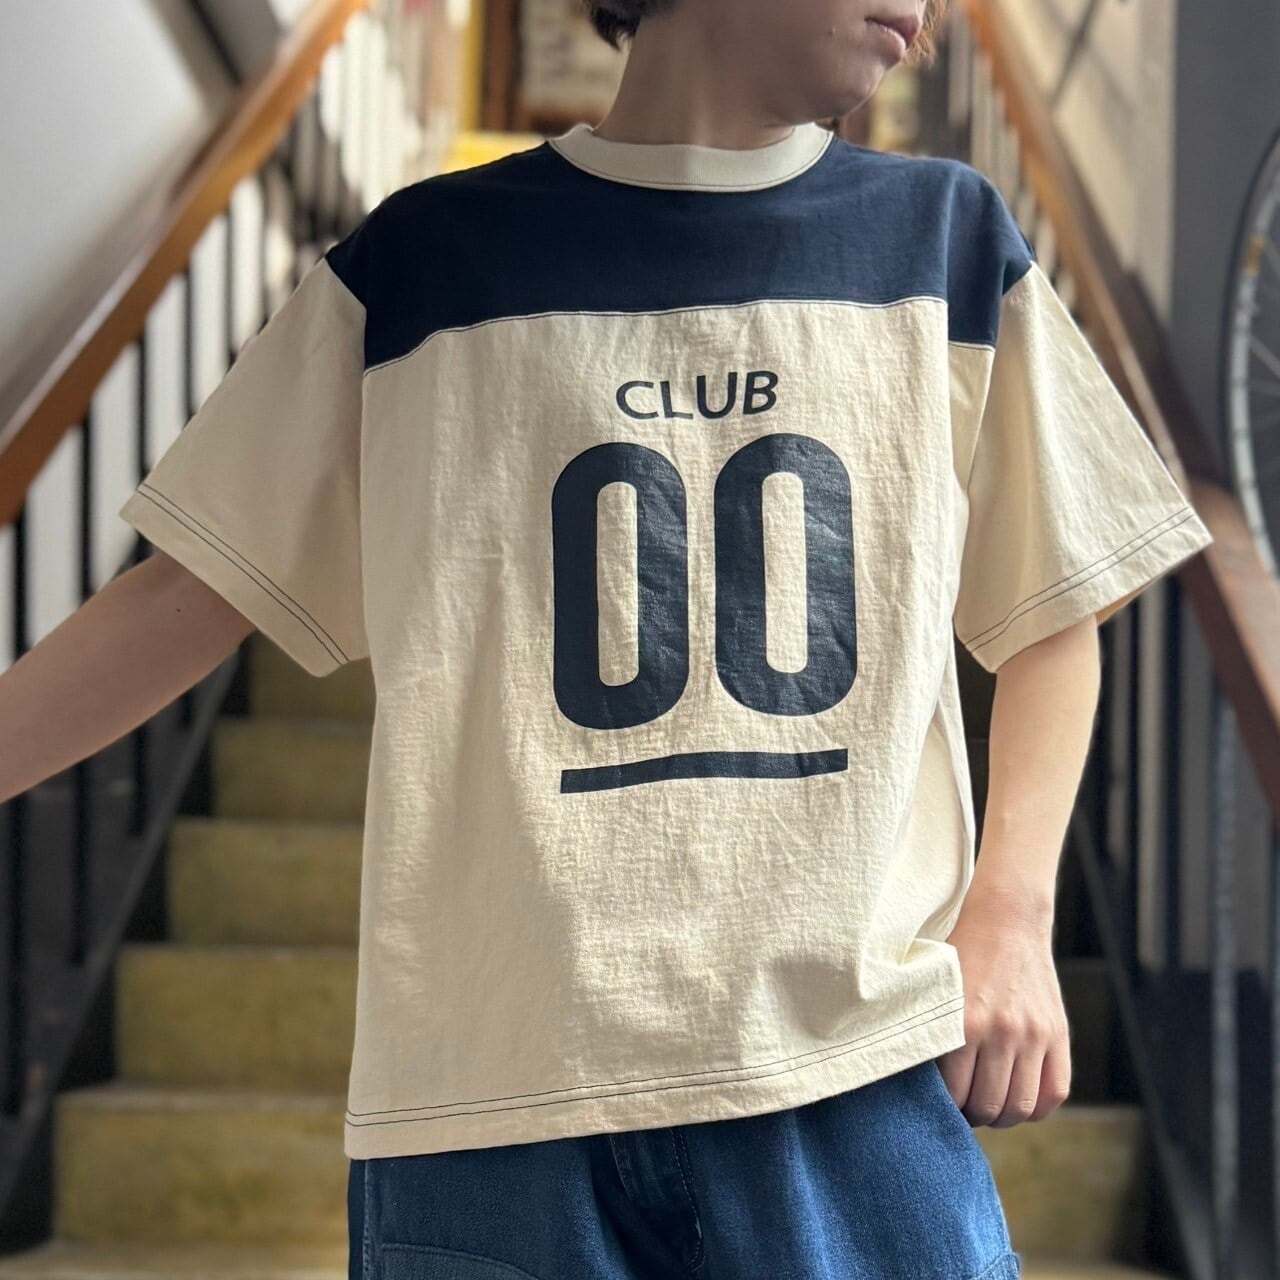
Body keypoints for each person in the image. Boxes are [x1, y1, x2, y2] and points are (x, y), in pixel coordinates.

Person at [0, 0, 1214, 1276]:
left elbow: (1057, 605)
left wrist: (1011, 909)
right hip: (488, 1094)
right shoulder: (422, 266)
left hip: (844, 1063)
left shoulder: (947, 242)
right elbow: (185, 592)